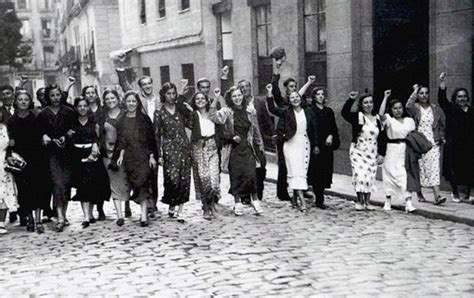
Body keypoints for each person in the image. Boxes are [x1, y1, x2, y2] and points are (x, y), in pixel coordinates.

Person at [209, 86, 264, 216]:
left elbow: (255, 129)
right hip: (233, 148)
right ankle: (237, 202)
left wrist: (260, 144)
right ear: (230, 98)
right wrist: (216, 98)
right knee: (236, 175)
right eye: (234, 96)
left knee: (251, 175)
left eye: (239, 95)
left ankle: (255, 200)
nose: (237, 98)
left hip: (248, 146)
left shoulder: (250, 111)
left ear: (242, 96)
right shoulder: (227, 112)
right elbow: (213, 116)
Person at [266, 84, 318, 211]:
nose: (295, 99)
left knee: (301, 172)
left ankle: (295, 198)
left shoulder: (308, 111)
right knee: (295, 171)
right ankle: (302, 202)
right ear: (289, 100)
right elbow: (272, 108)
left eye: (297, 96)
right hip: (290, 145)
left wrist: (315, 144)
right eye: (292, 97)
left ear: (301, 98)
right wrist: (269, 93)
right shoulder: (286, 112)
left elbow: (314, 129)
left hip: (304, 143)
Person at [116, 69, 159, 217]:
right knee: (131, 181)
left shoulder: (147, 114)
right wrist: (121, 155)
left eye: (134, 101)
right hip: (130, 154)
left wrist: (152, 155)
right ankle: (134, 206)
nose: (131, 103)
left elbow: (150, 139)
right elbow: (121, 139)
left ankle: (148, 210)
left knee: (147, 179)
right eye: (129, 101)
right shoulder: (122, 118)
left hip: (146, 151)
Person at [270, 58, 314, 202]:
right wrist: (277, 71)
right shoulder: (283, 103)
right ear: (286, 89)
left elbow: (299, 96)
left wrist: (308, 83)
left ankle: (301, 189)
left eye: (295, 87)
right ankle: (282, 192)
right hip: (284, 137)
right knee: (284, 165)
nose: (293, 89)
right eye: (290, 87)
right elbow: (274, 89)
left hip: (298, 138)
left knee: (300, 163)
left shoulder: (299, 102)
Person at [7, 90, 47, 233]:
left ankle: (38, 219)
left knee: (38, 188)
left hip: (37, 157)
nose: (23, 102)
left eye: (26, 99)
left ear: (30, 102)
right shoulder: (12, 121)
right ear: (16, 102)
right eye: (20, 99)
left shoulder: (36, 117)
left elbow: (42, 134)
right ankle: (29, 218)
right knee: (24, 191)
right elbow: (9, 140)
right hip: (20, 159)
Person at [68, 97, 111, 228]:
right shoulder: (72, 123)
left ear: (88, 107)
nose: (82, 108)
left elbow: (98, 138)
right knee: (82, 185)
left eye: (84, 106)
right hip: (78, 156)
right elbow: (69, 140)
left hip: (92, 155)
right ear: (76, 108)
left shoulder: (94, 123)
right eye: (79, 106)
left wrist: (95, 146)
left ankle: (91, 213)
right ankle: (86, 216)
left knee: (92, 184)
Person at [38, 84, 75, 232]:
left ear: (61, 95)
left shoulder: (69, 111)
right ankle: (59, 217)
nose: (55, 98)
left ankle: (63, 215)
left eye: (58, 95)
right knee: (57, 183)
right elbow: (39, 131)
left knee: (66, 184)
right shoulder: (43, 113)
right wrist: (44, 136)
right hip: (51, 154)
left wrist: (67, 136)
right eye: (52, 95)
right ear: (48, 97)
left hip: (67, 153)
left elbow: (75, 128)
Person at [154, 82, 192, 222]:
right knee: (171, 179)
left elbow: (192, 124)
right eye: (168, 93)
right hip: (169, 148)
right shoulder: (159, 112)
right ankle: (171, 202)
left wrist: (189, 110)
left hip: (183, 147)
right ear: (163, 95)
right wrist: (159, 154)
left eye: (173, 93)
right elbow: (157, 134)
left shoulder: (180, 109)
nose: (171, 96)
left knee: (184, 179)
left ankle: (180, 210)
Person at [342, 92, 384, 211]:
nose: (368, 105)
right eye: (365, 102)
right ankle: (360, 201)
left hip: (372, 151)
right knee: (360, 175)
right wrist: (351, 99)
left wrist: (381, 153)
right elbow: (344, 113)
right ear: (361, 104)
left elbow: (382, 137)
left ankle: (367, 202)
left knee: (370, 176)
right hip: (358, 150)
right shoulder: (358, 116)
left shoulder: (377, 118)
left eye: (370, 102)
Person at [406, 84, 447, 205]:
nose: (424, 95)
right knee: (421, 168)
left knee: (434, 167)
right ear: (418, 95)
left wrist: (441, 136)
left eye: (426, 93)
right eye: (421, 93)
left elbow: (441, 123)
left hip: (433, 141)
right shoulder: (415, 108)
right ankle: (419, 193)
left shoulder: (435, 108)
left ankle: (437, 196)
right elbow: (408, 105)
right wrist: (414, 91)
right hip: (419, 141)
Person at [378, 90, 417, 212]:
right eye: (395, 108)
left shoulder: (409, 121)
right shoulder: (389, 120)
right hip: (391, 149)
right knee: (389, 175)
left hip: (405, 149)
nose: (398, 110)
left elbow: (414, 136)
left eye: (400, 108)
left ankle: (409, 202)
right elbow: (381, 114)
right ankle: (388, 201)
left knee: (403, 176)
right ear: (391, 109)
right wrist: (385, 97)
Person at [437, 73, 474, 203]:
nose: (462, 99)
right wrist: (442, 83)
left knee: (470, 167)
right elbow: (442, 100)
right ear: (455, 98)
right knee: (453, 168)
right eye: (459, 96)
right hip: (454, 143)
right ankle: (455, 192)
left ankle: (469, 193)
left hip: (469, 143)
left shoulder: (471, 110)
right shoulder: (451, 109)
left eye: (464, 96)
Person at [238, 79, 274, 202]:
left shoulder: (258, 101)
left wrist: (272, 134)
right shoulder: (238, 102)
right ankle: (245, 195)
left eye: (246, 86)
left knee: (261, 167)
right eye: (241, 87)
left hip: (258, 140)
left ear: (250, 87)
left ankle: (259, 192)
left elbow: (266, 118)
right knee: (245, 169)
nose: (244, 89)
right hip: (244, 140)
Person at [101, 89, 130, 226]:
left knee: (127, 180)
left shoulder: (125, 115)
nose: (110, 101)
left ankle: (127, 203)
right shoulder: (103, 116)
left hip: (126, 152)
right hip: (109, 153)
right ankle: (119, 215)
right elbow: (99, 134)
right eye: (107, 99)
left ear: (118, 99)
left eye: (113, 98)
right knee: (114, 183)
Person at [189, 91, 220, 220]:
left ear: (207, 101)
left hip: (212, 146)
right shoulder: (193, 114)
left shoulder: (212, 113)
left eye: (203, 98)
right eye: (197, 99)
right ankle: (207, 206)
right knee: (203, 179)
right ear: (194, 102)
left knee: (214, 181)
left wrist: (217, 97)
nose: (200, 100)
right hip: (199, 147)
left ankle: (212, 202)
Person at [308, 87, 340, 209]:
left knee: (325, 171)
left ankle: (320, 196)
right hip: (315, 145)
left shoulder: (329, 111)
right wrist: (315, 145)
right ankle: (319, 199)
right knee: (316, 172)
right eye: (318, 94)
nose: (320, 96)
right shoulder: (311, 111)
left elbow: (333, 127)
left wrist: (331, 136)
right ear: (314, 96)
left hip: (327, 145)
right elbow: (311, 129)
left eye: (322, 94)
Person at [81, 85, 106, 220]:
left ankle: (100, 209)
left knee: (100, 179)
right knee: (88, 180)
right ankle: (89, 210)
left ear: (96, 95)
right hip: (87, 148)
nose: (90, 95)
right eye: (87, 93)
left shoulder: (103, 110)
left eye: (92, 92)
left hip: (103, 146)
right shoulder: (82, 109)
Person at [0, 121, 19, 234]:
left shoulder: (4, 128)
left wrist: (11, 145)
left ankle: (1, 222)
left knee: (5, 191)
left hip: (3, 163)